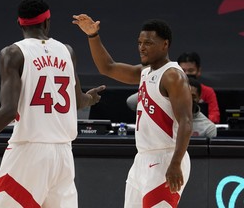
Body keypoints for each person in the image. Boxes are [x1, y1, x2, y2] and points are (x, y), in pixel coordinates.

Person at [0, 0, 105, 208]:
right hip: (63, 155)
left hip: (29, 152)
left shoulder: (12, 53)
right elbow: (78, 100)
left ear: (19, 24)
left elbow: (8, 111)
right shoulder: (67, 51)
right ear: (47, 22)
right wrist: (91, 97)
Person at [73, 15, 193, 207]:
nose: (142, 47)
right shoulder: (145, 72)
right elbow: (107, 67)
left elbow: (186, 122)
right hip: (142, 159)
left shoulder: (172, 75)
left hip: (166, 157)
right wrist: (93, 35)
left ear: (165, 44)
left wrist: (176, 163)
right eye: (139, 42)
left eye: (148, 43)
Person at [177, 52, 220, 124]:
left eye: (191, 70)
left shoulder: (208, 91)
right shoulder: (171, 90)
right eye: (183, 71)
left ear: (198, 71)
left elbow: (215, 116)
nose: (187, 74)